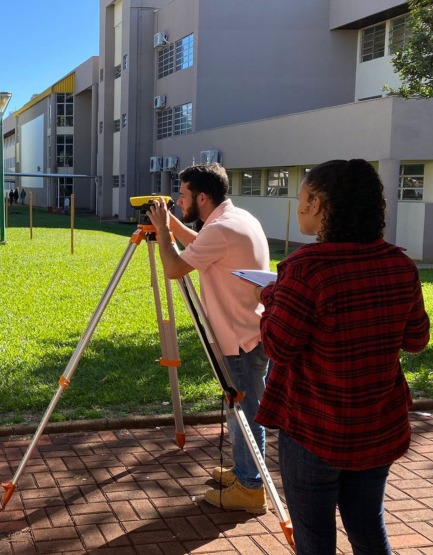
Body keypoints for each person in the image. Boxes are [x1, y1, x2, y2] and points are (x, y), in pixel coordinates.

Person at [255, 159, 429, 553]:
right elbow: (417, 339)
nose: (297, 206)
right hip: (378, 424)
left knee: (314, 538)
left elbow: (279, 348)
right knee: (369, 526)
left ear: (316, 203)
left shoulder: (307, 269)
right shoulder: (400, 265)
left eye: (300, 198)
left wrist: (267, 296)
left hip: (315, 428)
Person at [148, 163, 271, 513]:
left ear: (202, 197)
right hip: (251, 332)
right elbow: (201, 243)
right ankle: (245, 471)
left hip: (240, 339)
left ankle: (250, 488)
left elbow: (173, 269)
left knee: (244, 414)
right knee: (241, 411)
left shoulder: (221, 230)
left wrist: (162, 231)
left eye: (183, 195)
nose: (177, 199)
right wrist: (171, 223)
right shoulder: (234, 219)